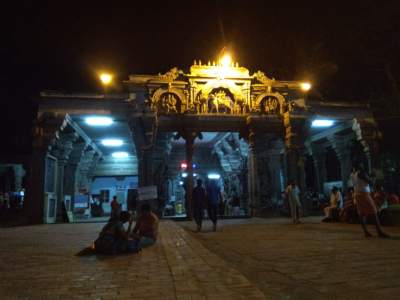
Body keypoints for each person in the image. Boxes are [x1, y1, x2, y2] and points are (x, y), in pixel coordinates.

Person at [351, 166, 390, 238]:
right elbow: (370, 182)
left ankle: (366, 232)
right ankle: (379, 232)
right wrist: (373, 177)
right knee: (374, 211)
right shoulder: (361, 173)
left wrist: (369, 176)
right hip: (364, 194)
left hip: (357, 194)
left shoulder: (353, 174)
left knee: (361, 213)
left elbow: (361, 182)